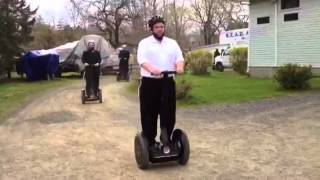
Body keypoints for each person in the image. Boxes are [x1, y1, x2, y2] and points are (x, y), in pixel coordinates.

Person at [137, 15, 184, 152]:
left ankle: (166, 139)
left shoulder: (172, 43)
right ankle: (150, 142)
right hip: (150, 83)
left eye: (161, 27)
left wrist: (180, 66)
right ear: (152, 29)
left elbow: (179, 58)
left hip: (168, 82)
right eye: (157, 27)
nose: (159, 29)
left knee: (168, 113)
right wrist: (152, 69)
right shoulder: (144, 43)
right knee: (149, 113)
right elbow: (142, 60)